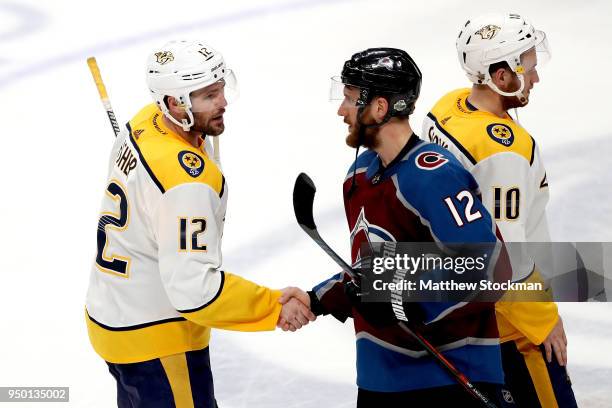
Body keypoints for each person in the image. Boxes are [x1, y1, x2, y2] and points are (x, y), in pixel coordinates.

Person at [85, 40, 314, 408]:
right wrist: (273, 307)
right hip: (156, 339)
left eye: (222, 88)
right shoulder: (185, 184)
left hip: (114, 312)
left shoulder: (146, 120)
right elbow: (196, 290)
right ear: (175, 103)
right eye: (209, 95)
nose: (222, 101)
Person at [283, 47, 512, 407]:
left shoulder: (433, 175)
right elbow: (374, 271)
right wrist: (316, 298)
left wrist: (407, 297)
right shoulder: (358, 177)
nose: (341, 110)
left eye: (349, 98)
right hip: (381, 380)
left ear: (379, 108)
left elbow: (491, 268)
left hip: (448, 376)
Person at [423, 13, 578, 407]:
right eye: (526, 66)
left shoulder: (448, 107)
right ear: (500, 75)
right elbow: (504, 255)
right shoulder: (503, 151)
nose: (535, 77)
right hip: (510, 326)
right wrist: (543, 321)